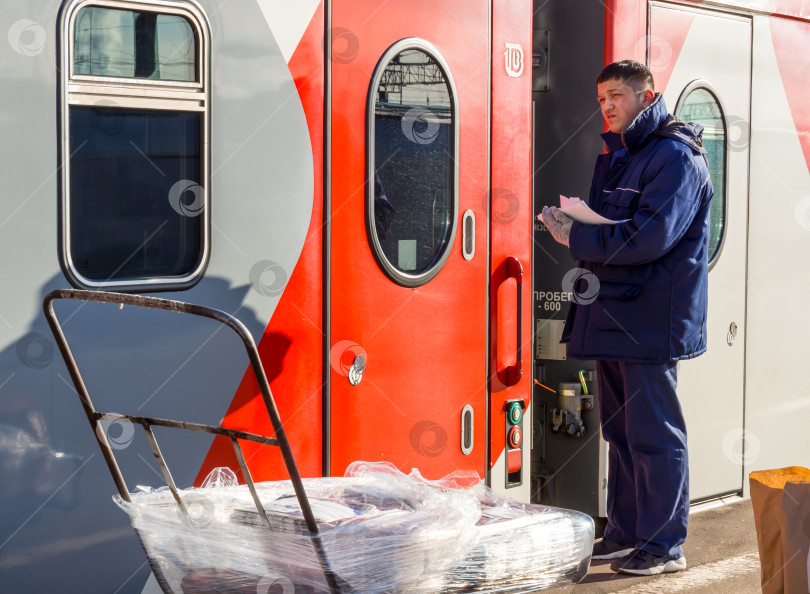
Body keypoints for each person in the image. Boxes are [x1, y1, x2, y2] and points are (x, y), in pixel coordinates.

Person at [541, 60, 713, 576]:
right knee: (619, 434)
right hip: (616, 313)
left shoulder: (677, 158)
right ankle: (624, 534)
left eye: (617, 95)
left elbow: (649, 238)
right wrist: (573, 226)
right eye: (601, 99)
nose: (608, 106)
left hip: (651, 321)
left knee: (655, 437)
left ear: (647, 94)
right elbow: (615, 231)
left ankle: (665, 546)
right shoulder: (619, 156)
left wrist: (578, 236)